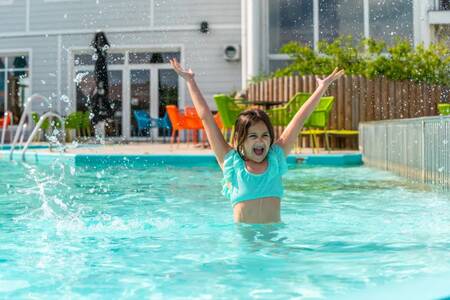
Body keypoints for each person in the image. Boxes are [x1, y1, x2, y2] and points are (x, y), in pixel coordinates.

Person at [170, 59, 344, 224]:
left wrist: (322, 88)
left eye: (265, 135)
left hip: (274, 240)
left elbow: (300, 119)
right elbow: (206, 118)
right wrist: (190, 81)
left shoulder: (276, 157)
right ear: (239, 140)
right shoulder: (231, 162)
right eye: (253, 136)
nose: (260, 141)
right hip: (245, 243)